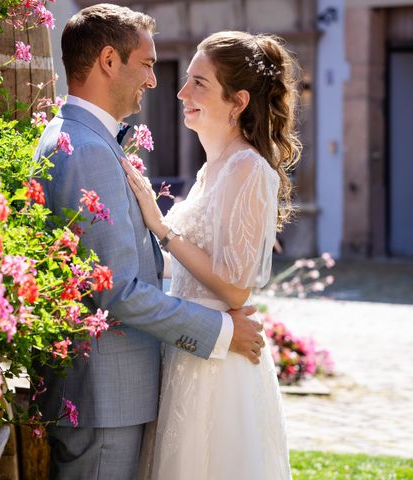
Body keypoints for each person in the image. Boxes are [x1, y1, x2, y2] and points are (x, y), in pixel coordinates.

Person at [33, 5, 265, 479]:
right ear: (108, 60)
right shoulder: (88, 150)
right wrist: (223, 332)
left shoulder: (84, 139)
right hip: (104, 398)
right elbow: (116, 291)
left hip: (113, 394)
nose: (156, 81)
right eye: (147, 63)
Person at [122, 31, 301, 479]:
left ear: (237, 101)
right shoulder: (211, 169)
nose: (182, 92)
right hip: (191, 349)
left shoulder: (248, 168)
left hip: (221, 367)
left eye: (199, 83)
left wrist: (162, 227)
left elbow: (237, 285)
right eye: (187, 81)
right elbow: (188, 266)